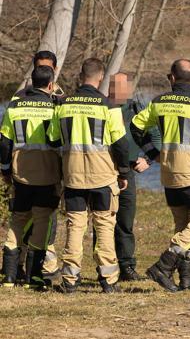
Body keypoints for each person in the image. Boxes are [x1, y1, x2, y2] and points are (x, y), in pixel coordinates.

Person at [130, 59, 190, 292]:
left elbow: (135, 127)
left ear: (172, 78)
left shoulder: (159, 102)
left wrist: (153, 152)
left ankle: (187, 278)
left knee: (183, 226)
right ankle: (163, 265)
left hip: (169, 175)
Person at [47, 58, 130, 294]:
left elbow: (53, 139)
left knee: (75, 226)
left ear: (80, 76)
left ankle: (70, 280)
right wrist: (123, 171)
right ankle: (108, 280)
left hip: (73, 175)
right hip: (102, 176)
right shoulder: (109, 106)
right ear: (101, 77)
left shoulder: (62, 105)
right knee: (104, 225)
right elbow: (121, 144)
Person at [2, 51, 62, 287]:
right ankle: (34, 276)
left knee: (17, 220)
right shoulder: (54, 107)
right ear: (50, 84)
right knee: (42, 221)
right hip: (47, 174)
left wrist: (5, 169)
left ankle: (8, 276)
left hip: (20, 174)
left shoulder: (15, 106)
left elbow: (4, 142)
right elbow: (57, 141)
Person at [107, 73, 161, 281]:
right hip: (104, 170)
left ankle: (127, 267)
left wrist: (149, 159)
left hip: (128, 170)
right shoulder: (102, 107)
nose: (117, 91)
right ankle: (105, 266)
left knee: (125, 220)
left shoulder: (136, 108)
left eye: (121, 87)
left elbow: (154, 135)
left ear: (128, 89)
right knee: (104, 220)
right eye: (114, 86)